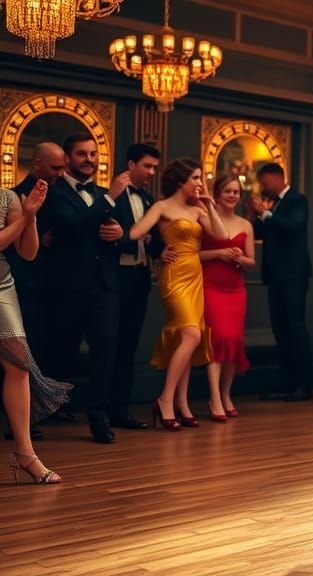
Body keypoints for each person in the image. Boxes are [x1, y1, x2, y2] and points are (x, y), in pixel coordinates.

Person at [129, 158, 228, 431]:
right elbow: (136, 231)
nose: (200, 183)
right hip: (174, 275)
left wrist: (208, 202)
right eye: (196, 178)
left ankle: (181, 404)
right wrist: (157, 246)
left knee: (189, 336)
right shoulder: (162, 206)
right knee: (191, 334)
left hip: (195, 276)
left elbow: (221, 236)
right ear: (181, 180)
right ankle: (165, 398)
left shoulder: (198, 209)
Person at [47, 133, 128, 443]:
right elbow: (76, 226)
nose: (89, 160)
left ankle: (99, 417)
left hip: (105, 285)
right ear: (67, 159)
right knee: (60, 351)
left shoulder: (105, 193)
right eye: (82, 154)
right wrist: (109, 200)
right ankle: (41, 411)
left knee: (105, 350)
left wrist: (119, 232)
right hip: (68, 286)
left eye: (93, 154)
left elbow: (120, 233)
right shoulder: (56, 194)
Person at [1, 179, 71, 483]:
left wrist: (29, 215)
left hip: (2, 285)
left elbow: (28, 253)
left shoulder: (8, 198)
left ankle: (25, 453)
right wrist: (26, 216)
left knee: (19, 366)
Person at [248, 163, 313, 402]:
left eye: (265, 182)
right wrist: (255, 215)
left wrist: (265, 213)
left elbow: (294, 227)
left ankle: (303, 386)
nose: (264, 187)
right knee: (280, 329)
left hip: (294, 275)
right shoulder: (274, 204)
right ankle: (286, 383)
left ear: (277, 178)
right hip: (274, 276)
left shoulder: (297, 200)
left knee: (295, 328)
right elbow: (260, 232)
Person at [110, 143, 164, 430]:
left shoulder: (147, 198)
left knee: (128, 347)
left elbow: (152, 238)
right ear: (131, 165)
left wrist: (159, 250)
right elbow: (106, 233)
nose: (152, 172)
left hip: (139, 280)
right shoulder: (111, 196)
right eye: (147, 166)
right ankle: (103, 409)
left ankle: (121, 410)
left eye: (155, 167)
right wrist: (130, 239)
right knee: (110, 345)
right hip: (114, 279)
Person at [200, 175, 255, 420]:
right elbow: (194, 254)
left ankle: (225, 393)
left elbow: (251, 261)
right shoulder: (205, 219)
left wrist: (238, 258)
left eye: (235, 192)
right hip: (211, 285)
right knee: (217, 339)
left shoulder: (246, 225)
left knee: (233, 342)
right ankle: (213, 397)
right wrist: (219, 254)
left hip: (236, 289)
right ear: (217, 194)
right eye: (227, 192)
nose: (232, 196)